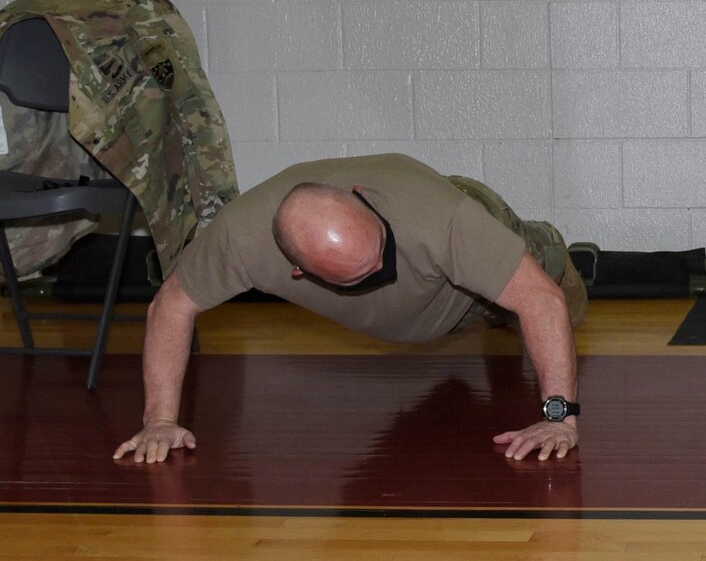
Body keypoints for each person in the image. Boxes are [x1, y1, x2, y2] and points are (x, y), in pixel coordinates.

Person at [112, 153, 587, 464]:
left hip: (465, 233)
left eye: (379, 250)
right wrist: (159, 420)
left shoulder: (436, 217)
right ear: (299, 271)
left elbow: (541, 300)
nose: (382, 269)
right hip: (425, 313)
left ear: (360, 201)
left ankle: (552, 245)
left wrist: (559, 416)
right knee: (487, 311)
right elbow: (169, 307)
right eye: (361, 276)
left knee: (546, 289)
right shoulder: (239, 241)